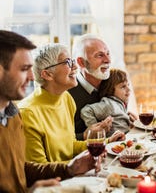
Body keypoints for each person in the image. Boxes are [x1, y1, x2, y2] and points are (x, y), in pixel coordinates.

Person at [0, 30, 100, 192]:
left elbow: (20, 168)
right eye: (24, 69)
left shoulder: (11, 114)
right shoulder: (25, 112)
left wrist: (69, 168)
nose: (32, 77)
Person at [18, 43, 125, 163]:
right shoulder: (27, 113)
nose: (75, 66)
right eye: (67, 62)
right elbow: (39, 169)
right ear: (47, 74)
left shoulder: (66, 98)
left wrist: (106, 142)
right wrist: (79, 165)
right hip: (54, 180)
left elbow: (70, 146)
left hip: (70, 175)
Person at [69, 34, 137, 140]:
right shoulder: (67, 94)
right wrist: (85, 135)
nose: (108, 60)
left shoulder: (113, 85)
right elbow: (59, 142)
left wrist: (127, 122)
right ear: (81, 62)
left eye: (108, 54)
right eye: (99, 55)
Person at [81, 68, 132, 136]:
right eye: (123, 87)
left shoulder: (119, 103)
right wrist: (96, 129)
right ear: (110, 90)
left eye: (128, 85)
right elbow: (86, 110)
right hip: (114, 143)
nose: (128, 89)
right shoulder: (109, 105)